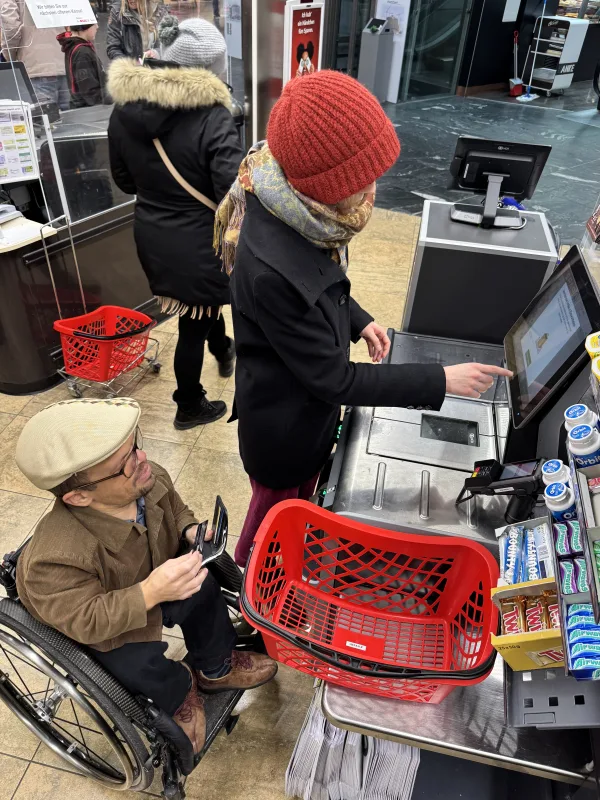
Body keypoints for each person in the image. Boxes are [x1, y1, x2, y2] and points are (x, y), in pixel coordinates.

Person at [215, 71, 513, 567]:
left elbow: (319, 285)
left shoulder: (285, 202)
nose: (372, 189)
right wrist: (441, 380)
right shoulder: (273, 265)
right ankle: (247, 591)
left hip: (298, 414)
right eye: (362, 178)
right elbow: (334, 379)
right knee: (271, 525)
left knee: (295, 506)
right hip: (284, 435)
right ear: (324, 182)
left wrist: (357, 319)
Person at [14, 398, 277, 755]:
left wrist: (187, 529)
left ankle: (216, 667)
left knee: (204, 586)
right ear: (78, 496)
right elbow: (89, 621)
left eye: (135, 446)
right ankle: (180, 690)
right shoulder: (54, 561)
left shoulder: (148, 480)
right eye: (125, 464)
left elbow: (176, 507)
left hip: (152, 570)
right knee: (137, 662)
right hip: (103, 618)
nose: (141, 460)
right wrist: (150, 592)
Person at [108, 16, 242, 429]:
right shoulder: (213, 116)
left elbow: (124, 179)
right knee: (191, 323)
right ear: (208, 69)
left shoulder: (124, 107)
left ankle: (223, 348)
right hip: (200, 239)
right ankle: (189, 404)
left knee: (198, 307)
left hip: (152, 232)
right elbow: (231, 191)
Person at [0, 0, 68, 109]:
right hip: (63, 62)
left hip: (34, 68)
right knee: (70, 121)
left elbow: (10, 28)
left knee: (43, 121)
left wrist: (10, 56)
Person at [57, 23, 111, 108]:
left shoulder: (78, 48)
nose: (97, 27)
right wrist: (115, 95)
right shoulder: (82, 52)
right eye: (94, 24)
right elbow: (90, 92)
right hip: (91, 111)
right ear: (84, 27)